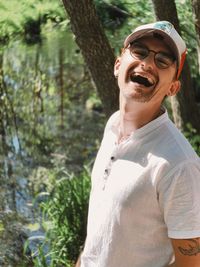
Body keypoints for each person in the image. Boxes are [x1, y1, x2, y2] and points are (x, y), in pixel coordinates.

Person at [76, 21, 200, 267]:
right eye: (140, 51)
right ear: (118, 64)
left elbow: (191, 263)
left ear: (173, 87)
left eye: (163, 61)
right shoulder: (113, 126)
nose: (147, 63)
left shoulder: (179, 165)